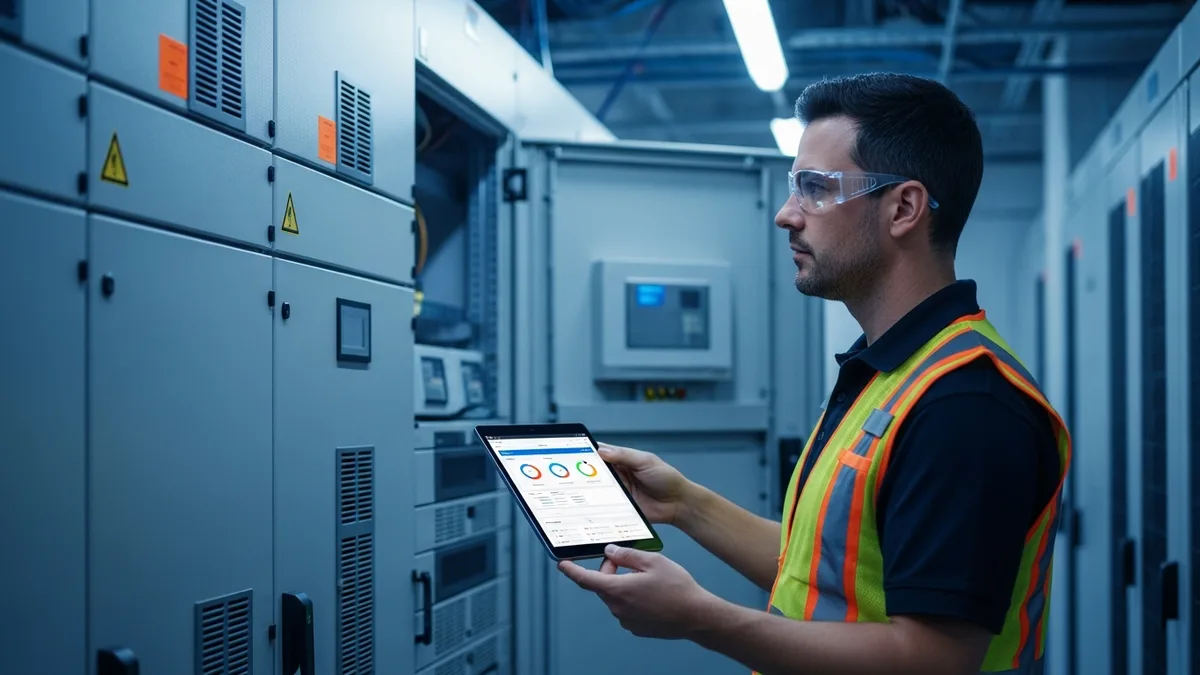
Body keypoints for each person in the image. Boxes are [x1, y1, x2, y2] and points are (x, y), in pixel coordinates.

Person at [557, 72, 1071, 675]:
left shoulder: (965, 402)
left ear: (903, 207)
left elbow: (935, 657)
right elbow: (824, 569)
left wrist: (702, 618)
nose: (786, 215)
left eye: (814, 188)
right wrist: (685, 505)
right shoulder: (890, 371)